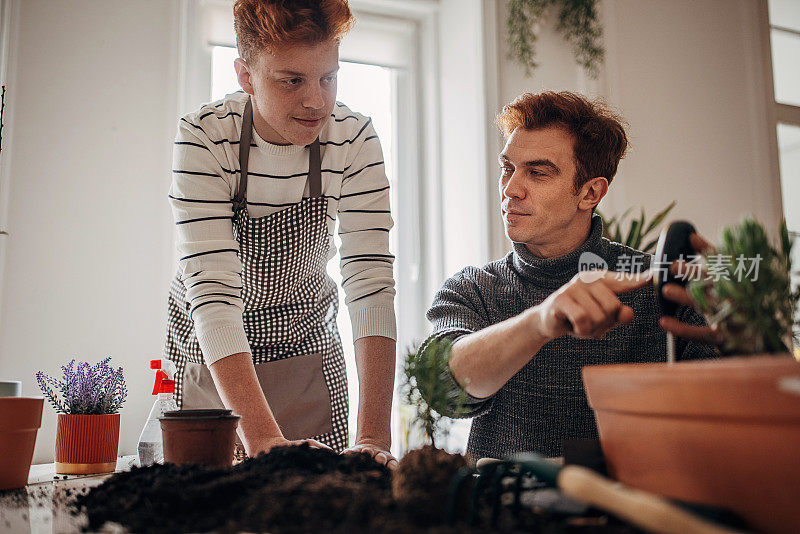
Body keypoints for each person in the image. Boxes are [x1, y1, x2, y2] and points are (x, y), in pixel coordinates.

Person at [421, 91, 718, 461]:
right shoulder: (473, 288)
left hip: (628, 513)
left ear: (590, 192)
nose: (510, 189)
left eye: (537, 173)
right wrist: (540, 322)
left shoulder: (660, 284)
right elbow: (441, 388)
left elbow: (735, 413)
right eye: (507, 168)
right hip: (503, 513)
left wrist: (748, 324)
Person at [164, 0, 397, 468]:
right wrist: (264, 440)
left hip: (307, 342)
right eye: (292, 80)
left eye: (328, 78)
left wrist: (373, 437)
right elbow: (212, 293)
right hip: (215, 351)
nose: (316, 101)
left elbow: (370, 283)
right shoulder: (205, 137)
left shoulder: (353, 139)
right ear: (245, 75)